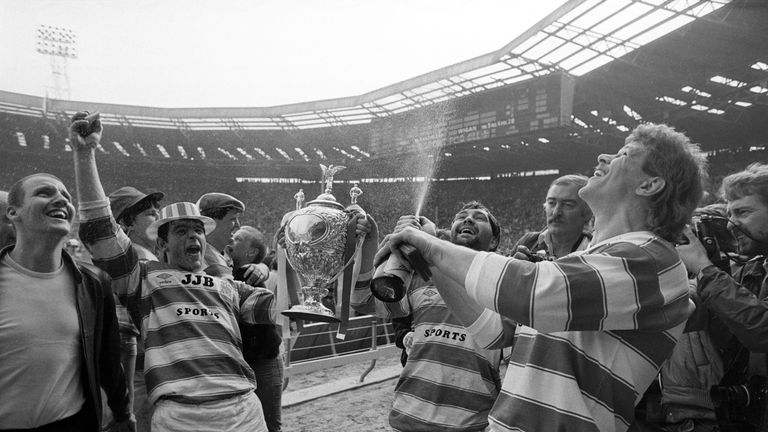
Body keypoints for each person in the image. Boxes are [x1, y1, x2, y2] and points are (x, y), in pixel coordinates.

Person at [386, 123, 707, 432]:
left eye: (625, 154)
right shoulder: (595, 260)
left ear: (649, 184)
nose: (603, 158)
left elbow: (534, 291)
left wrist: (434, 245)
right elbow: (494, 333)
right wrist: (430, 258)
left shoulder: (654, 260)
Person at [72, 114, 276, 431]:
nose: (193, 236)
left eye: (198, 230)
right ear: (163, 244)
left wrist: (280, 276)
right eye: (181, 231)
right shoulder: (144, 279)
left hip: (245, 410)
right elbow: (100, 231)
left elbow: (274, 308)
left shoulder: (228, 285)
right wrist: (85, 155)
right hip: (182, 416)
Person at [354, 201, 517, 431]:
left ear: (493, 241)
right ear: (450, 233)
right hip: (409, 418)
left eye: (479, 217)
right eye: (461, 216)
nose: (468, 219)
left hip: (470, 424)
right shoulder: (422, 276)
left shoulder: (503, 285)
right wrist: (370, 244)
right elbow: (363, 301)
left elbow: (516, 370)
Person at [0, 173, 133, 431]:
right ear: (13, 213)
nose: (60, 199)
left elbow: (108, 359)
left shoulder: (94, 284)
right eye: (45, 192)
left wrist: (123, 412)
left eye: (65, 196)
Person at [672, 162, 768, 431]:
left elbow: (762, 331)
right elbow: (729, 334)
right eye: (730, 213)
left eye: (743, 212)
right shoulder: (756, 266)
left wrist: (704, 267)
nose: (732, 224)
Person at [107, 185, 164, 430]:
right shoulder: (134, 264)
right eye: (150, 214)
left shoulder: (148, 259)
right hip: (139, 374)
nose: (158, 219)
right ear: (127, 224)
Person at [227, 226, 284, 432]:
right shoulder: (224, 268)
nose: (232, 238)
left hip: (264, 362)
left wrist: (262, 268)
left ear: (251, 252)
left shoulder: (252, 274)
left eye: (239, 238)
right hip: (240, 363)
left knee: (269, 424)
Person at [512, 174, 592, 260]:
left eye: (568, 205)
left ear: (587, 213)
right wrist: (514, 269)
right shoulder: (528, 242)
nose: (556, 212)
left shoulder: (595, 252)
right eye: (551, 203)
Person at [198, 192, 269, 285]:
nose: (238, 225)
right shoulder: (196, 257)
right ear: (211, 223)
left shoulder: (225, 255)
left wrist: (262, 268)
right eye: (232, 219)